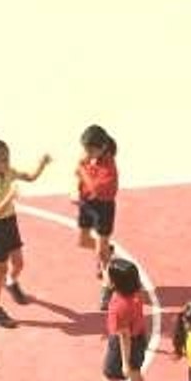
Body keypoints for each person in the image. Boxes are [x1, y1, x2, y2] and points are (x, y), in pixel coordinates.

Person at [0, 137, 51, 328]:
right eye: (4, 160)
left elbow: (30, 177)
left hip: (9, 223)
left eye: (8, 158)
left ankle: (11, 282)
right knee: (0, 269)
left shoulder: (8, 172)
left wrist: (41, 165)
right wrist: (10, 195)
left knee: (18, 263)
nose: (8, 163)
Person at [97, 259, 159, 381]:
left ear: (116, 282)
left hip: (123, 346)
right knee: (136, 377)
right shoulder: (136, 294)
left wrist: (124, 362)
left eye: (108, 273)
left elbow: (123, 336)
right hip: (139, 339)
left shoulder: (118, 306)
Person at [74, 124, 120, 311]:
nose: (85, 152)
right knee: (83, 241)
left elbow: (95, 187)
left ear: (101, 147)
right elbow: (81, 178)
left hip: (103, 208)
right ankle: (107, 249)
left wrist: (81, 168)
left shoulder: (109, 168)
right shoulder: (91, 156)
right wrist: (77, 190)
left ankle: (107, 286)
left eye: (89, 149)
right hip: (87, 204)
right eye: (84, 148)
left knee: (101, 255)